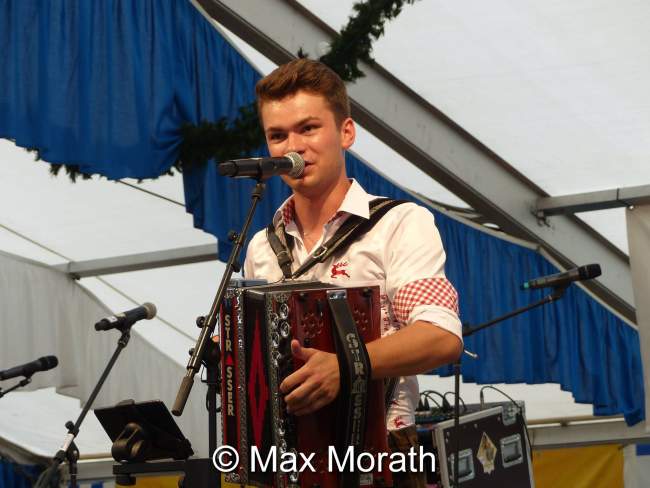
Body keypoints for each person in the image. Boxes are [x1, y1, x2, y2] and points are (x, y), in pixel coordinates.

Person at [243, 58, 462, 487]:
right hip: (288, 466)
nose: (293, 148)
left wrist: (346, 366)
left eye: (308, 128)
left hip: (381, 460)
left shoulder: (398, 223)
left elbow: (441, 335)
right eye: (278, 135)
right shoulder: (261, 247)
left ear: (346, 132)